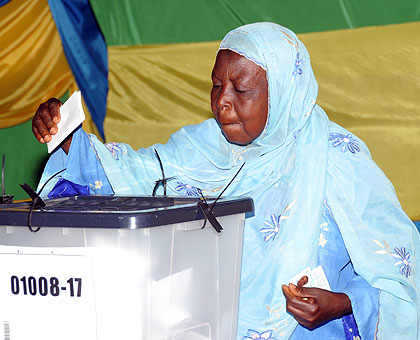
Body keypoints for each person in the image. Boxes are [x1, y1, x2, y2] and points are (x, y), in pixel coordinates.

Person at [32, 22, 419, 339]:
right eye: (216, 86)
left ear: (281, 92)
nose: (222, 102)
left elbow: (404, 279)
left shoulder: (336, 158)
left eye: (242, 89)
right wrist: (67, 138)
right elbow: (131, 175)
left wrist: (342, 303)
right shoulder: (201, 148)